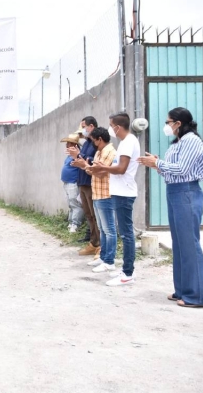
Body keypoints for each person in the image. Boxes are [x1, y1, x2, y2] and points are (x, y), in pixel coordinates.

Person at [139, 107, 203, 307]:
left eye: (168, 122)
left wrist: (158, 163)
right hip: (175, 191)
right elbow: (171, 172)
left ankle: (197, 296)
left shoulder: (191, 141)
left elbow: (183, 169)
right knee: (179, 244)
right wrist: (156, 164)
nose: (166, 126)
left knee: (189, 243)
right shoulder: (178, 143)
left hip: (187, 192)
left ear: (178, 123)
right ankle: (182, 290)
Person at [91, 113, 140, 286]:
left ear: (118, 127)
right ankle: (126, 271)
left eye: (111, 125)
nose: (110, 128)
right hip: (120, 192)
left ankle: (127, 273)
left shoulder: (128, 142)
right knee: (124, 233)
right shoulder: (125, 143)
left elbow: (121, 169)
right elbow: (118, 167)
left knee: (126, 235)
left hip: (124, 193)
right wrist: (104, 168)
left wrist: (103, 167)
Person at [81, 127, 117, 275]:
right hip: (97, 194)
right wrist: (87, 167)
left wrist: (87, 167)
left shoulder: (110, 152)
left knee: (109, 230)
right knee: (102, 229)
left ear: (100, 139)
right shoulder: (98, 152)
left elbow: (101, 173)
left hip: (106, 195)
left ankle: (110, 261)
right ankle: (103, 257)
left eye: (94, 140)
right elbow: (92, 171)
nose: (93, 143)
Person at [69, 117, 100, 254]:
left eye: (84, 127)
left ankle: (99, 244)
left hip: (91, 182)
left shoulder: (97, 142)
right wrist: (76, 158)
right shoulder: (87, 142)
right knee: (88, 214)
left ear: (91, 126)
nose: (82, 130)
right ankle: (93, 243)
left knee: (95, 215)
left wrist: (81, 157)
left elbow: (95, 160)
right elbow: (83, 159)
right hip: (83, 182)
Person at [60, 133, 84, 233]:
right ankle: (71, 222)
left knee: (75, 204)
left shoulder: (77, 156)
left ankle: (75, 224)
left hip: (73, 183)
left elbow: (81, 164)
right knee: (70, 203)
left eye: (69, 144)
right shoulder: (69, 156)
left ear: (74, 145)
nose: (67, 146)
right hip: (67, 183)